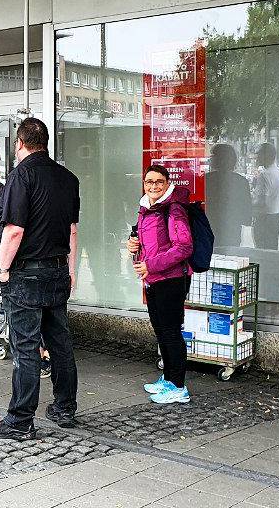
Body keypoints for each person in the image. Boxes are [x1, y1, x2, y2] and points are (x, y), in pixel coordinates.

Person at [0, 117, 81, 440]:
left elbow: (13, 230)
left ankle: (20, 420)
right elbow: (72, 232)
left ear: (20, 144)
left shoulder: (20, 175)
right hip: (56, 270)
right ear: (46, 142)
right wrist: (71, 271)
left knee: (25, 346)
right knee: (60, 342)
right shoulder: (68, 179)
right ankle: (65, 407)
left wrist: (4, 269)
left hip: (27, 272)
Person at [127, 165, 194, 404]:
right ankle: (167, 378)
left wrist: (151, 266)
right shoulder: (147, 207)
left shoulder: (174, 209)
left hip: (171, 279)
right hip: (153, 278)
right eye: (149, 182)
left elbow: (184, 247)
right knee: (161, 331)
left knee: (171, 331)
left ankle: (178, 387)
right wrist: (133, 246)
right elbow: (150, 242)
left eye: (158, 182)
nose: (153, 186)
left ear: (167, 183)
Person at [203, 144, 251, 248]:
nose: (210, 159)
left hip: (209, 229)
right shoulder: (241, 181)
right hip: (232, 231)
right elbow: (246, 210)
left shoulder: (207, 180)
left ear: (218, 159)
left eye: (213, 156)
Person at [251, 142, 279, 249]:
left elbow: (260, 201)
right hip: (276, 218)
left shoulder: (264, 174)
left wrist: (248, 203)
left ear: (266, 156)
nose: (256, 157)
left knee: (262, 254)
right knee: (272, 252)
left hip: (264, 220)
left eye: (259, 154)